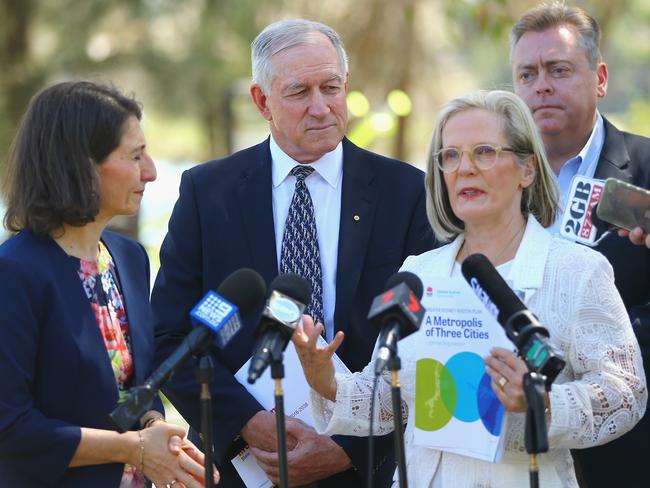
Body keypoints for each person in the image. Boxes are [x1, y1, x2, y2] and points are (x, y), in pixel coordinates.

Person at [292, 90, 647, 487]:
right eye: (451, 155)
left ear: (527, 169)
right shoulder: (418, 272)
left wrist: (540, 402)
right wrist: (324, 379)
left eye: (484, 152)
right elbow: (393, 399)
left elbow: (625, 393)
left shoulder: (575, 271)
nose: (465, 168)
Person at [152, 18, 435, 487]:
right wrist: (246, 424)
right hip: (245, 467)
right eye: (300, 92)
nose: (321, 107)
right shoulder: (208, 193)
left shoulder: (405, 192)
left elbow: (428, 343)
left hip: (369, 469)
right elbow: (171, 336)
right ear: (262, 100)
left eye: (331, 87)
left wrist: (350, 449)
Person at [0, 81, 214, 488]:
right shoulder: (14, 274)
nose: (150, 171)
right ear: (80, 165)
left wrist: (155, 429)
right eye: (135, 156)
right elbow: (10, 429)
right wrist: (132, 448)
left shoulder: (128, 258)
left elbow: (137, 383)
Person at [510, 4, 650, 486]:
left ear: (601, 78)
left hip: (629, 448)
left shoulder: (647, 167)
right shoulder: (490, 179)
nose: (541, 85)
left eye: (559, 69)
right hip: (512, 443)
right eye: (527, 74)